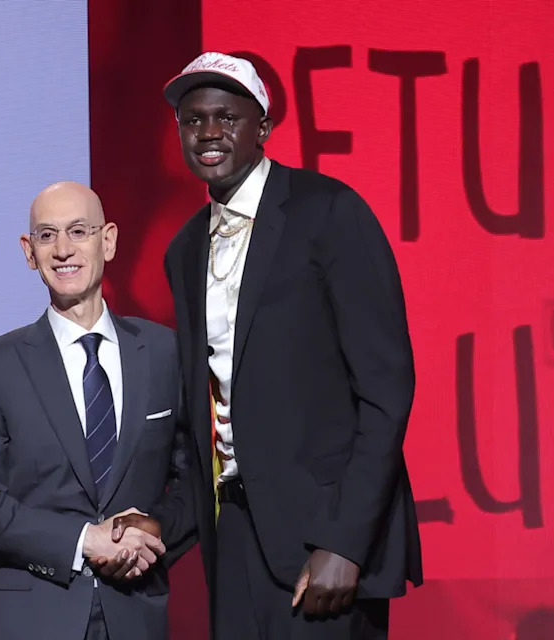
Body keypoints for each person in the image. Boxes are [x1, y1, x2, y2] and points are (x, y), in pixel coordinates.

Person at [123, 51, 424, 639]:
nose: (208, 133)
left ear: (261, 125)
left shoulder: (328, 211)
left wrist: (345, 542)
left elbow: (387, 389)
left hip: (324, 544)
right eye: (192, 120)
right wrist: (162, 522)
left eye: (225, 117)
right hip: (233, 536)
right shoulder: (185, 249)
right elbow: (202, 413)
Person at [0, 181, 195, 640]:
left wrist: (151, 534)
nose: (63, 250)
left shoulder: (163, 352)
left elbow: (195, 481)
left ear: (109, 240)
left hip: (137, 613)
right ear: (28, 251)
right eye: (46, 235)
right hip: (32, 619)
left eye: (79, 231)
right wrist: (83, 541)